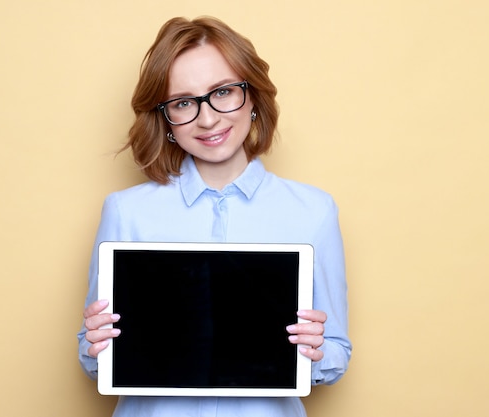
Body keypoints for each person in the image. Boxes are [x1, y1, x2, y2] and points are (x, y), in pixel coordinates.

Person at [77, 16, 351, 417]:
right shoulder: (126, 212)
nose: (207, 119)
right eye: (184, 102)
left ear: (253, 97)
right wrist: (97, 345)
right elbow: (92, 356)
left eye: (222, 92)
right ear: (166, 118)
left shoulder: (313, 211)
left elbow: (336, 354)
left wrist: (317, 349)